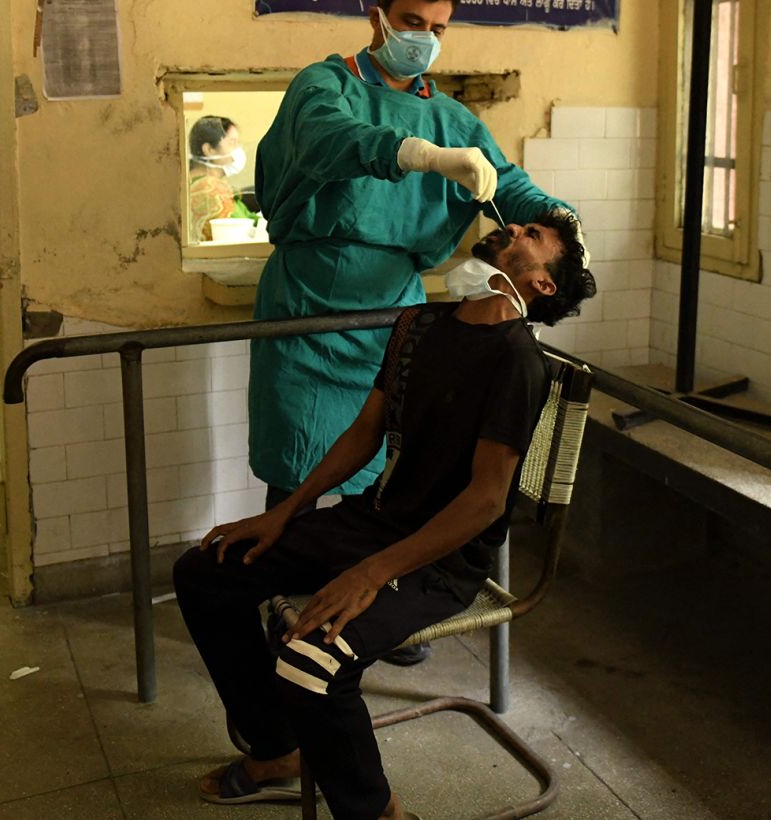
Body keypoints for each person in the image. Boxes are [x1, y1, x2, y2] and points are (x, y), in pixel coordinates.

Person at [175, 212, 596, 818]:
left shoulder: (515, 362)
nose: (515, 230)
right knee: (204, 571)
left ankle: (378, 812)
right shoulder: (418, 325)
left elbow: (484, 501)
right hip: (373, 522)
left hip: (441, 560)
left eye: (534, 237)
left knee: (312, 663)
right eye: (520, 225)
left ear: (542, 286)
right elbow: (365, 432)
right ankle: (276, 752)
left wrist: (371, 573)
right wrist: (286, 513)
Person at [248, 0, 577, 517]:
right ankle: (276, 584)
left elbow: (507, 186)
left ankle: (357, 585)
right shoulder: (326, 84)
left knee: (384, 469)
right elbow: (325, 136)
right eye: (411, 22)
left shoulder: (453, 121)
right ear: (378, 18)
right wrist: (412, 153)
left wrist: (561, 220)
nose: (423, 38)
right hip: (306, 308)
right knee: (297, 469)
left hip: (393, 314)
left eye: (438, 29)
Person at [189, 114, 253, 241]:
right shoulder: (210, 189)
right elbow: (242, 229)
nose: (238, 150)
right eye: (232, 143)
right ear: (209, 149)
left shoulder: (191, 181)